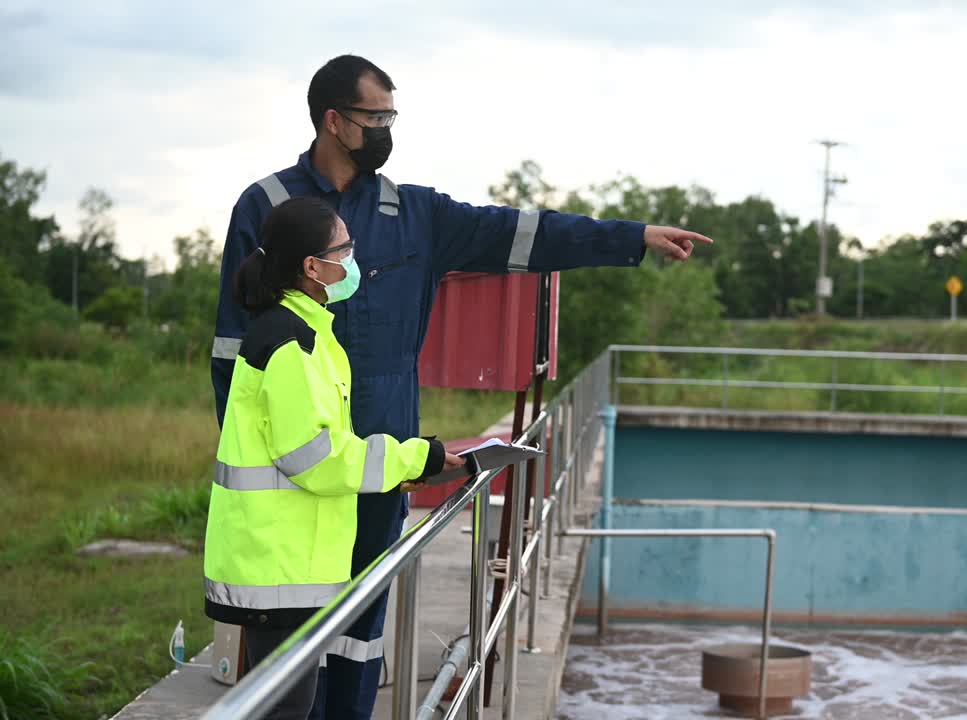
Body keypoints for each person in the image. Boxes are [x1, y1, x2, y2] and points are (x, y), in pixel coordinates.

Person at [210, 54, 712, 718]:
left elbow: (521, 233)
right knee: (288, 646)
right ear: (334, 121)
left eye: (393, 115)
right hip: (293, 486)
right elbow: (230, 355)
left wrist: (634, 237)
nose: (388, 128)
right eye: (376, 116)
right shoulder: (268, 208)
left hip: (382, 461)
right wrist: (259, 467)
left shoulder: (415, 215)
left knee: (360, 633)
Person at [204, 196, 465, 720]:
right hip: (277, 561)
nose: (353, 259)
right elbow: (316, 459)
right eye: (345, 248)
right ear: (312, 267)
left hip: (285, 557)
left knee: (280, 705)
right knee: (285, 710)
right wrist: (415, 458)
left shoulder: (308, 335)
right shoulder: (291, 345)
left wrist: (403, 468)